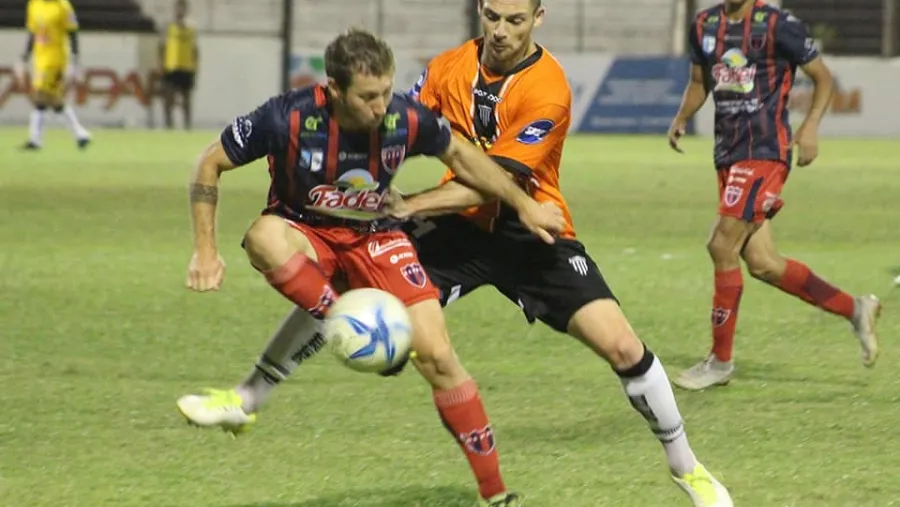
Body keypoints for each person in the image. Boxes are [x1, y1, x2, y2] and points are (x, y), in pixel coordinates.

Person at [229, 2, 735, 506]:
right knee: (344, 288)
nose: (500, 30)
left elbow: (496, 180)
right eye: (492, 16)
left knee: (623, 347)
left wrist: (410, 204)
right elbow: (392, 122)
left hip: (529, 231)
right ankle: (250, 395)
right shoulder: (447, 68)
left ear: (538, 18)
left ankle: (686, 468)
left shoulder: (548, 87)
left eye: (515, 20)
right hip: (457, 230)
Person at [175, 28, 565, 507]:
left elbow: (464, 156)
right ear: (334, 90)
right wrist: (205, 251)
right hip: (307, 232)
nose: (381, 107)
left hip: (375, 236)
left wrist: (525, 206)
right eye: (367, 97)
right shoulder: (288, 117)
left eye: (385, 91)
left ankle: (496, 494)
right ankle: (343, 320)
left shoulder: (404, 117)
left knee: (439, 357)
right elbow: (209, 163)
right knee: (263, 237)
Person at [667, 0, 881, 391]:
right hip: (728, 155)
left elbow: (823, 77)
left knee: (721, 245)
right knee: (764, 263)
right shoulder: (704, 24)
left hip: (765, 151)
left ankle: (720, 362)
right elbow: (700, 82)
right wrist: (682, 116)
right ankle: (855, 309)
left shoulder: (777, 24)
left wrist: (810, 126)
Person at [17, 0, 90, 150]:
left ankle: (35, 140)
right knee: (54, 101)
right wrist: (26, 56)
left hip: (56, 59)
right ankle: (80, 134)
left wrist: (75, 58)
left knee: (40, 96)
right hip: (40, 59)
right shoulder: (34, 4)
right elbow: (33, 32)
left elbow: (72, 32)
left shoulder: (62, 6)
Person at [159, 0, 198, 130]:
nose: (180, 10)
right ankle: (169, 126)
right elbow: (162, 47)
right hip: (171, 67)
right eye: (178, 8)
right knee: (168, 99)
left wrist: (195, 67)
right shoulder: (169, 26)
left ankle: (187, 126)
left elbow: (195, 49)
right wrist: (161, 64)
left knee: (186, 100)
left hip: (187, 67)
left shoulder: (191, 27)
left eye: (182, 8)